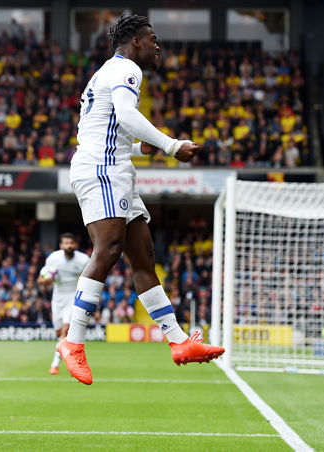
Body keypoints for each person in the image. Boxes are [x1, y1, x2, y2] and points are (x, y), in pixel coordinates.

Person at [60, 15, 224, 385]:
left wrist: (136, 148)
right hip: (102, 171)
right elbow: (125, 115)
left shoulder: (108, 72)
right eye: (153, 39)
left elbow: (97, 128)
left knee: (143, 257)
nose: (158, 46)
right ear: (135, 42)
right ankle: (73, 342)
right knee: (109, 249)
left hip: (112, 167)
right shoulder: (127, 70)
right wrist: (171, 146)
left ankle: (179, 342)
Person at [37, 233, 89, 375]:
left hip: (74, 297)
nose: (69, 246)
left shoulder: (84, 260)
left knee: (65, 331)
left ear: (75, 245)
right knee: (59, 332)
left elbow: (91, 277)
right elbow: (40, 279)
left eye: (71, 243)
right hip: (58, 298)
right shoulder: (54, 258)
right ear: (61, 245)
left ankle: (54, 365)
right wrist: (46, 281)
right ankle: (63, 350)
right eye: (66, 243)